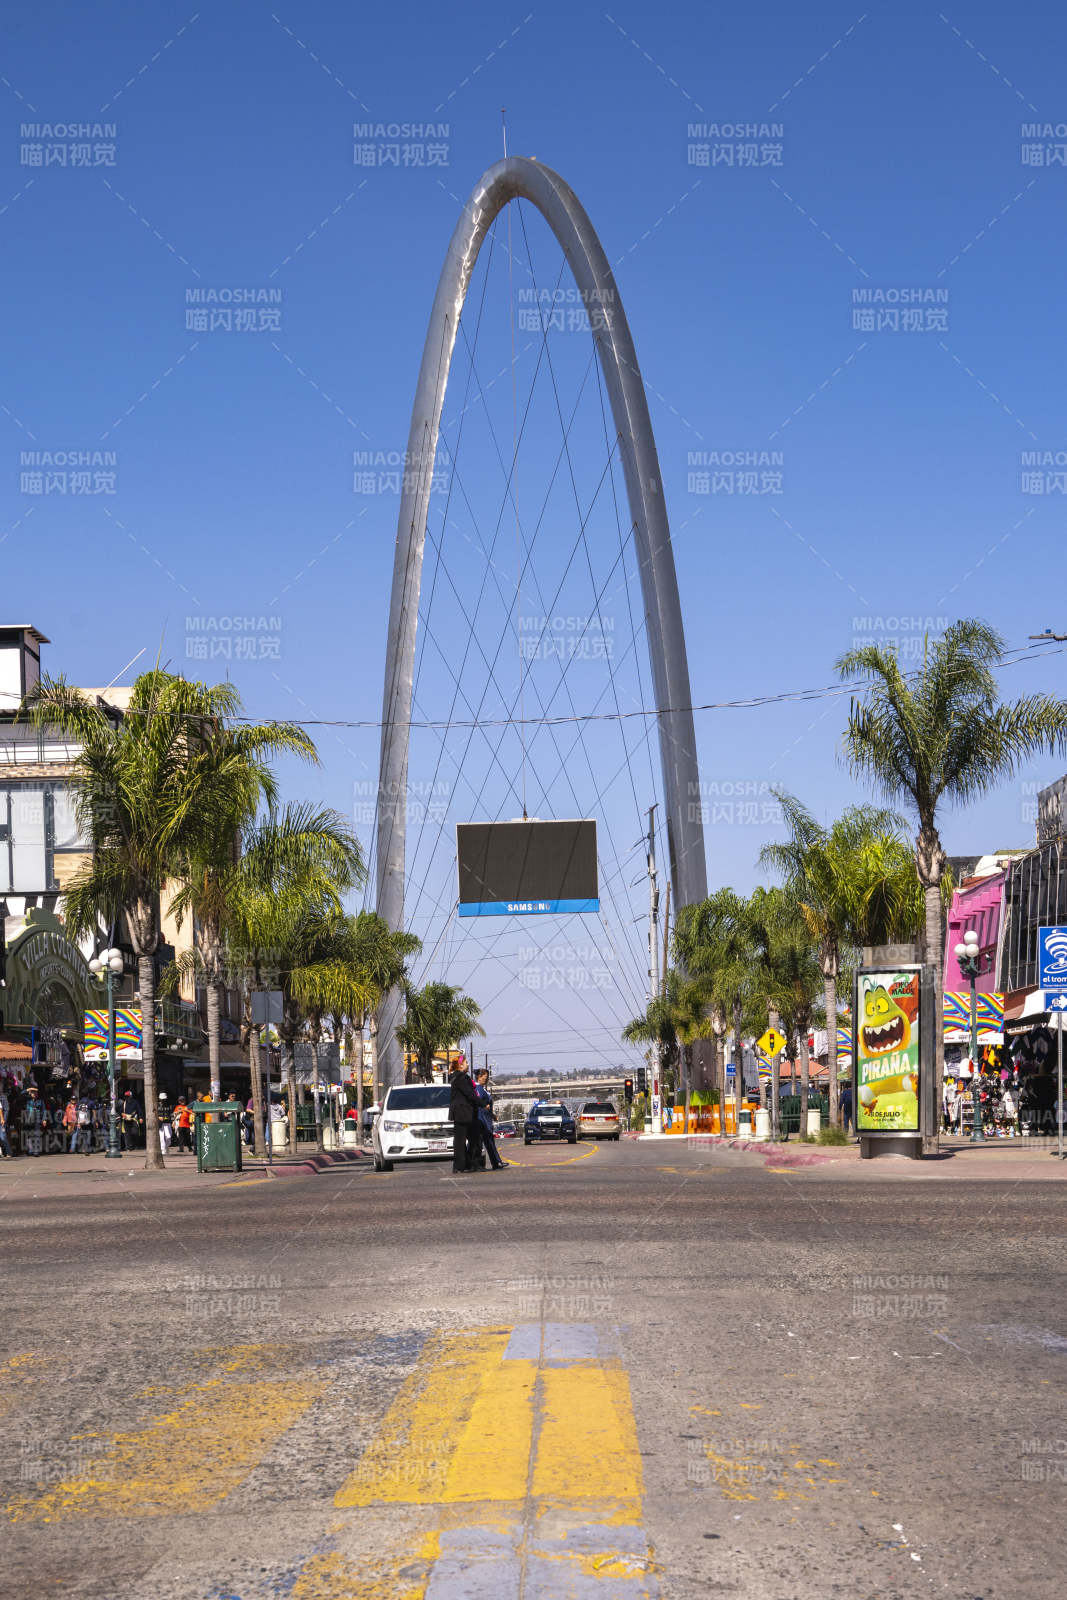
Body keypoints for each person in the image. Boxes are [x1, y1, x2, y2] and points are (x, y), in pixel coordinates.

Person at [448, 1058, 480, 1173]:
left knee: (463, 1140)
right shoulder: (461, 1078)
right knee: (467, 1140)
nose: (468, 1064)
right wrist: (482, 1104)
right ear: (461, 1066)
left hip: (460, 1113)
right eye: (466, 1063)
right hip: (463, 1112)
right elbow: (470, 1094)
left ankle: (464, 1164)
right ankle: (462, 1165)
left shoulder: (455, 1077)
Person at [475, 1069, 506, 1171]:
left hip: (487, 1119)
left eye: (487, 1076)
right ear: (479, 1077)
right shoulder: (478, 1089)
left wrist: (492, 1116)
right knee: (487, 1142)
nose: (486, 1079)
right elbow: (480, 1105)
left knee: (490, 1142)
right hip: (482, 1119)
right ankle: (496, 1162)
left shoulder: (483, 1089)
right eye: (485, 1076)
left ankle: (496, 1162)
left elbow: (487, 1106)